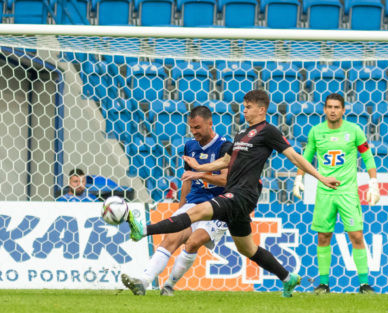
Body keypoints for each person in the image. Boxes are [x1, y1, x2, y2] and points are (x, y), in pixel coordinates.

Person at [126, 90, 340, 298]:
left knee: (196, 213)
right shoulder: (241, 134)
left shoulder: (268, 131)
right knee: (248, 249)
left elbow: (294, 156)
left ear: (262, 109)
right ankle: (287, 278)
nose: (244, 111)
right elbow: (225, 161)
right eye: (244, 107)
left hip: (242, 195)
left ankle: (142, 230)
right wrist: (199, 167)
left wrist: (321, 177)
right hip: (235, 197)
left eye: (248, 108)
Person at [121, 105, 232, 296]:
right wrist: (180, 211)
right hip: (194, 203)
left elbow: (226, 179)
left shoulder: (225, 146)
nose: (194, 132)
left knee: (193, 242)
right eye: (191, 128)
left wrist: (201, 175)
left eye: (197, 127)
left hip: (218, 206)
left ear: (210, 123)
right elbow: (187, 180)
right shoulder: (189, 146)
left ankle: (169, 285)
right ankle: (144, 281)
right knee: (171, 237)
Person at [292, 93, 380, 294]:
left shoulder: (354, 130)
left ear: (343, 110)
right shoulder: (316, 132)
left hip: (348, 192)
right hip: (324, 192)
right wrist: (299, 178)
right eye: (329, 107)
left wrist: (373, 181)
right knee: (323, 236)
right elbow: (306, 157)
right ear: (324, 109)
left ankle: (364, 284)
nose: (333, 110)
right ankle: (323, 284)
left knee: (356, 235)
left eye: (337, 107)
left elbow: (367, 156)